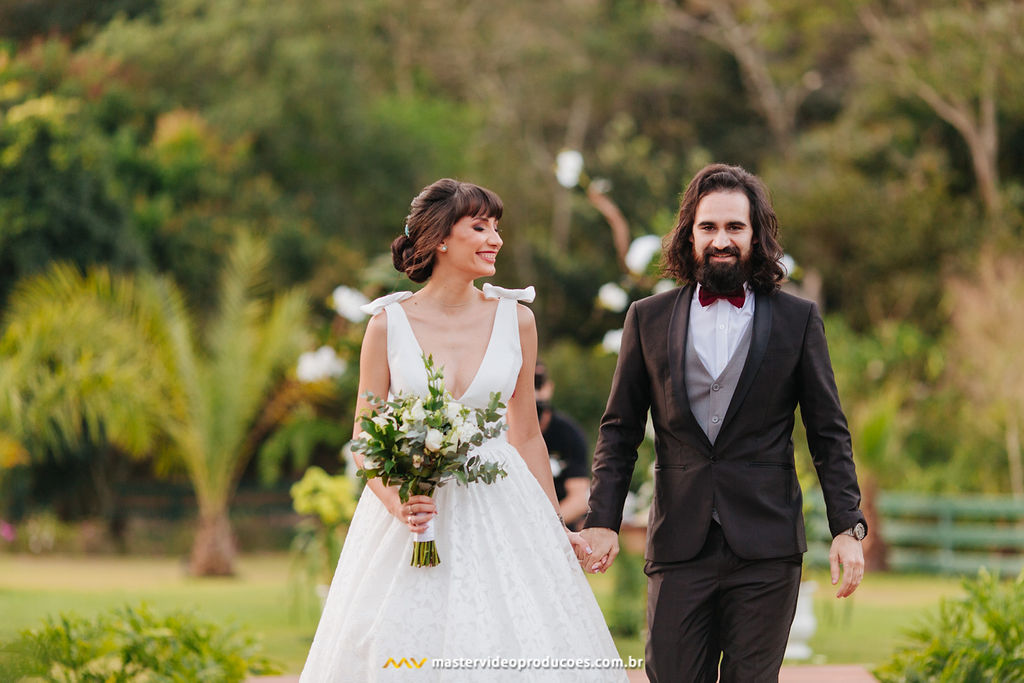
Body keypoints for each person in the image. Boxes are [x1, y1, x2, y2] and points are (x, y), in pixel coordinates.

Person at [301, 178, 626, 682]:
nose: (495, 238)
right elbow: (365, 433)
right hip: (410, 515)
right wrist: (398, 502)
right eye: (479, 226)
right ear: (439, 239)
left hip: (502, 506)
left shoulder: (517, 320)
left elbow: (524, 434)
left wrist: (551, 527)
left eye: (497, 227)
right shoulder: (387, 324)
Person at [580, 163, 867, 682]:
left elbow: (828, 432)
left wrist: (848, 526)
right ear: (688, 234)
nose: (721, 240)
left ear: (756, 236)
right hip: (678, 542)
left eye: (735, 227)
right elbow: (619, 431)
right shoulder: (647, 318)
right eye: (708, 227)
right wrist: (603, 519)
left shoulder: (797, 319)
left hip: (767, 546)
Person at [535, 361, 590, 530]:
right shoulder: (501, 430)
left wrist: (543, 528)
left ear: (549, 387)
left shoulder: (569, 434)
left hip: (558, 528)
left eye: (538, 382)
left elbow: (579, 499)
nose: (533, 391)